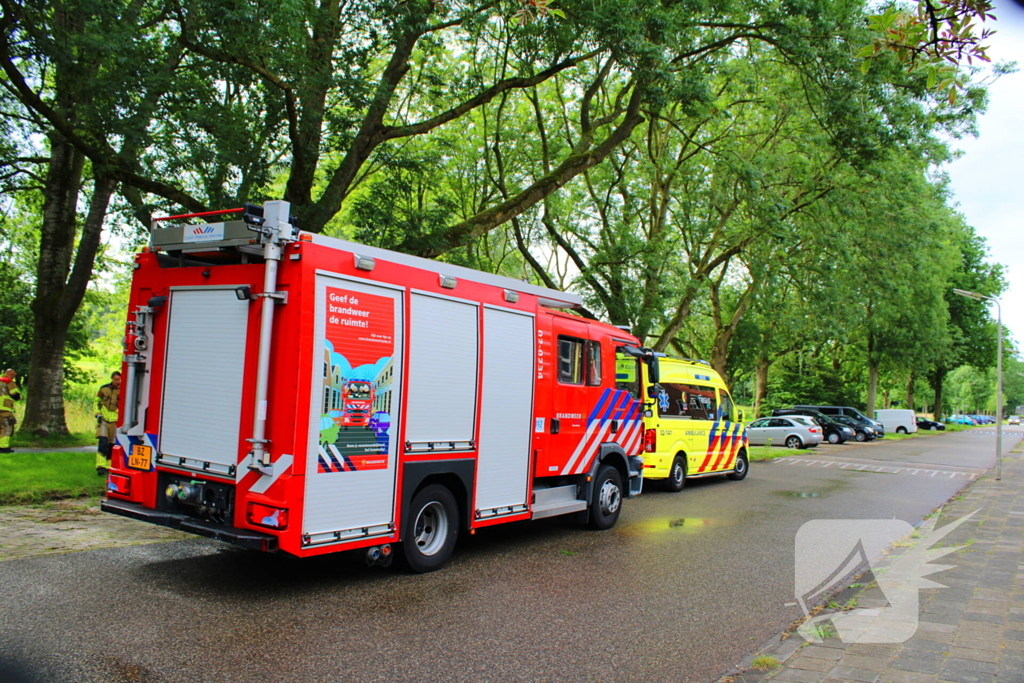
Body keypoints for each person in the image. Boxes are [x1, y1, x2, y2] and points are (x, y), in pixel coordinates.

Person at [95, 371, 120, 475]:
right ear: (112, 379)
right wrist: (97, 413)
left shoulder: (123, 390)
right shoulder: (103, 389)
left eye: (119, 380)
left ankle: (109, 466)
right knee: (103, 442)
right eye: (115, 379)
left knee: (112, 445)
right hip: (104, 419)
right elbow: (96, 402)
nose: (117, 381)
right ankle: (100, 466)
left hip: (116, 421)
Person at [0, 368, 20, 454]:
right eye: (14, 374)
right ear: (12, 374)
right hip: (4, 409)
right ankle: (3, 447)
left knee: (1, 428)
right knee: (7, 428)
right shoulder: (9, 382)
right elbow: (15, 395)